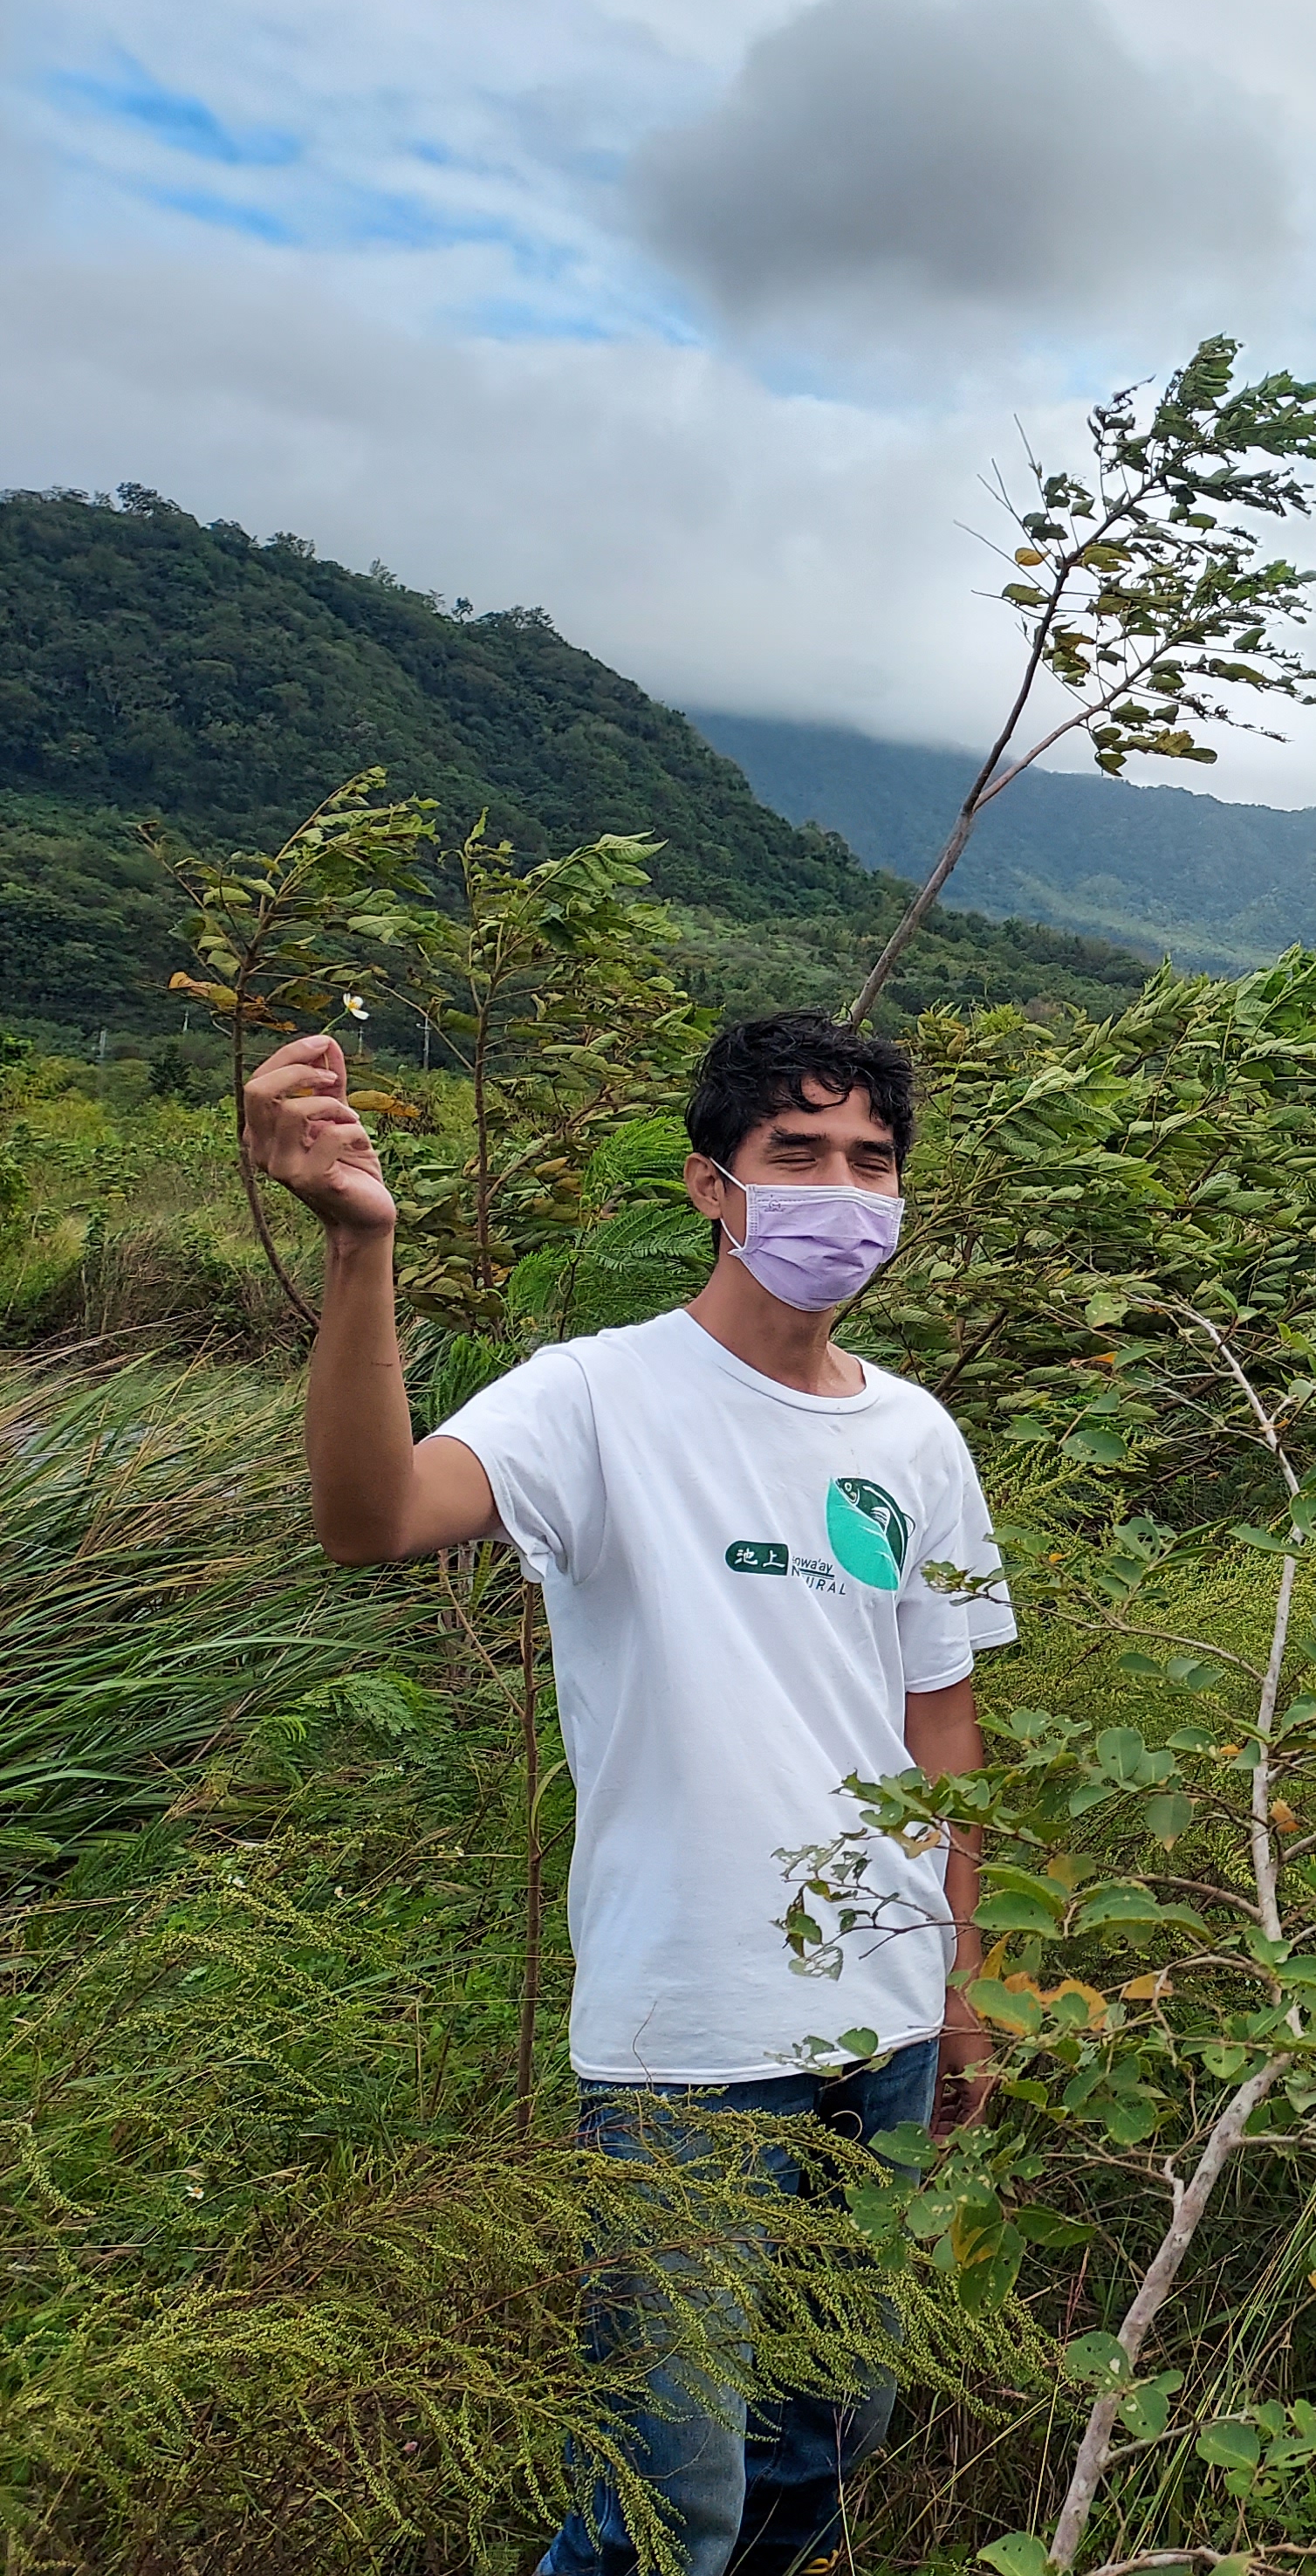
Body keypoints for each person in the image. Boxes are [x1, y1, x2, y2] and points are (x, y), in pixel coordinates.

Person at [243, 1011, 1013, 2576]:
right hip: (688, 2043)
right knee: (672, 2500)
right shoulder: (596, 1396)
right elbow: (372, 1516)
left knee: (830, 2440)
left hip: (886, 2026)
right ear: (710, 1187)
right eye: (797, 1155)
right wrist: (358, 1249)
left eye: (872, 1161)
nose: (842, 1192)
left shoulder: (914, 1436)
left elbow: (944, 1724)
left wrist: (968, 1983)